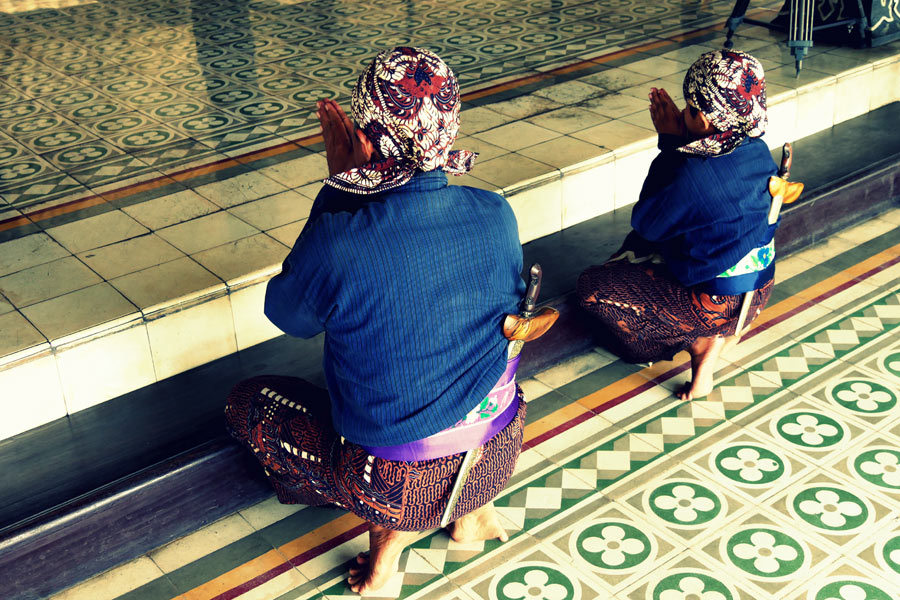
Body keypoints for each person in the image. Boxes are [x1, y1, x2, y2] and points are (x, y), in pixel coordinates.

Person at [224, 47, 528, 595]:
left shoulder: (343, 241)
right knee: (451, 383)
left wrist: (339, 189)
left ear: (366, 141)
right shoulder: (495, 212)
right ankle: (471, 513)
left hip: (393, 484)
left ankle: (387, 559)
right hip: (500, 450)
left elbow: (287, 314)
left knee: (249, 405)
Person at [577, 50, 779, 401]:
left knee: (593, 287)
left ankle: (700, 340)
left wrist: (672, 146)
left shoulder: (693, 172)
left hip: (712, 305)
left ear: (703, 118)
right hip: (757, 294)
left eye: (690, 109)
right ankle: (714, 340)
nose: (684, 113)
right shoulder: (755, 147)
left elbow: (648, 223)